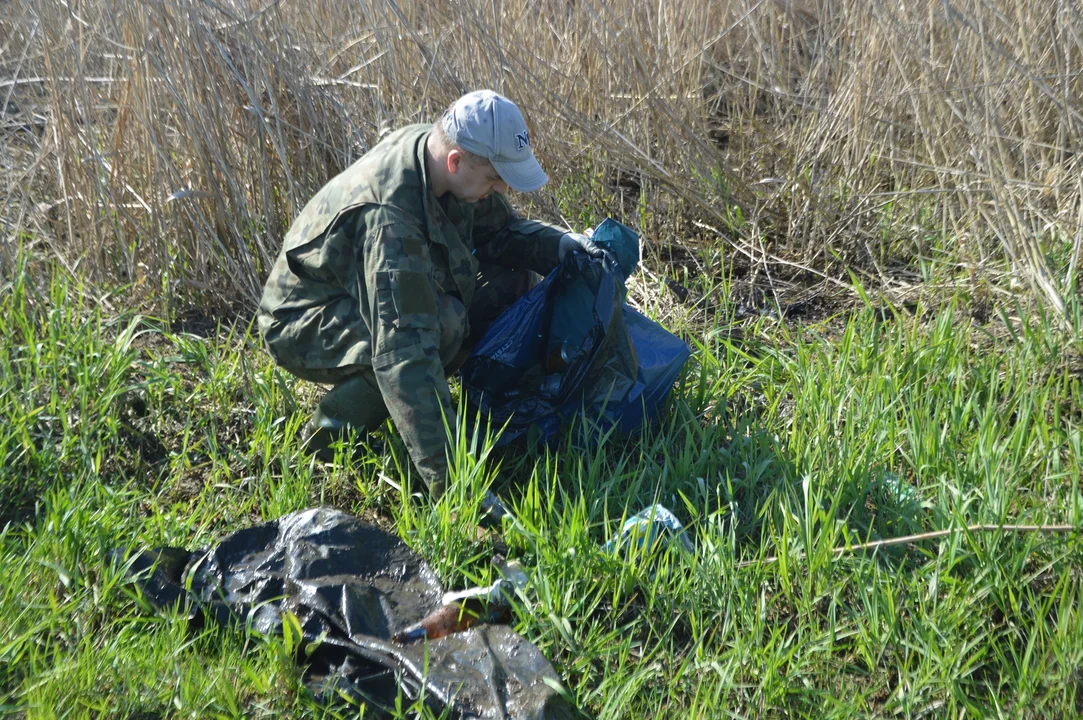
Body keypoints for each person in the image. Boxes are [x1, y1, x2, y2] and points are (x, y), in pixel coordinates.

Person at [257, 90, 604, 501]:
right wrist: (456, 488)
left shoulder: (441, 155)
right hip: (302, 316)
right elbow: (404, 354)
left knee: (511, 283)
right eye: (495, 179)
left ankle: (483, 406)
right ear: (456, 162)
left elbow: (498, 233)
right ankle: (329, 440)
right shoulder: (389, 222)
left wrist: (560, 246)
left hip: (358, 287)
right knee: (438, 327)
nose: (501, 190)